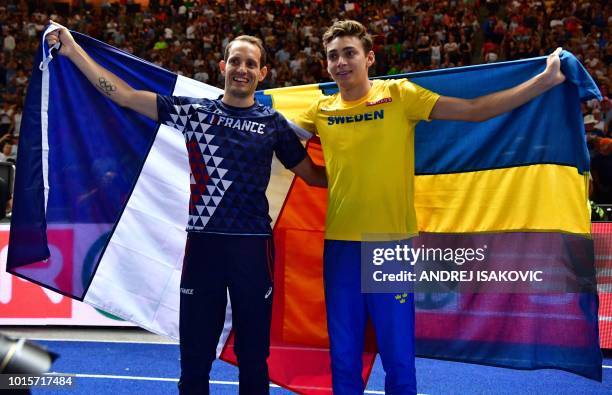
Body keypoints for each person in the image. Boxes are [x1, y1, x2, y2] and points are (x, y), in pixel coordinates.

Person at [46, 21, 327, 395]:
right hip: (204, 249)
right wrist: (72, 51)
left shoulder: (273, 124)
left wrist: (370, 163)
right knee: (194, 357)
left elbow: (313, 176)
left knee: (253, 355)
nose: (241, 69)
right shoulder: (195, 113)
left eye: (250, 63)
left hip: (253, 250)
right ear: (222, 66)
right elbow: (126, 96)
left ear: (262, 73)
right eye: (235, 61)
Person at [294, 20, 566, 395]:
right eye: (333, 56)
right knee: (343, 356)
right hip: (339, 246)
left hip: (390, 245)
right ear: (326, 65)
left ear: (369, 57)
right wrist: (321, 177)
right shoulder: (321, 110)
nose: (341, 62)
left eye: (349, 53)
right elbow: (269, 129)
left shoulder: (399, 95)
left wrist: (544, 81)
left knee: (399, 357)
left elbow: (474, 110)